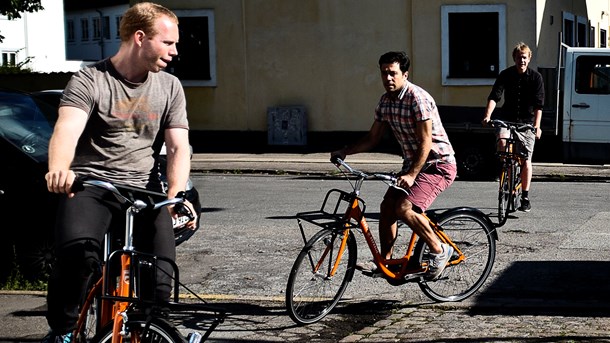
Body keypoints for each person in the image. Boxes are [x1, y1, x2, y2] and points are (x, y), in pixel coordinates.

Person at [41, 3, 196, 342]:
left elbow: (179, 147)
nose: (175, 51)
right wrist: (59, 169)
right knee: (78, 256)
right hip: (91, 184)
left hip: (143, 188)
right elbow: (66, 129)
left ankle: (147, 329)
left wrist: (175, 195)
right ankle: (62, 330)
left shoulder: (169, 87)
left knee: (160, 276)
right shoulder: (89, 80)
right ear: (140, 38)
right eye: (168, 43)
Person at [331, 51, 457, 280]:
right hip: (413, 165)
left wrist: (411, 175)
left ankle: (440, 250)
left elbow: (426, 142)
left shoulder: (417, 98)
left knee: (404, 208)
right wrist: (345, 152)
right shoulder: (385, 102)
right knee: (387, 208)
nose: (388, 78)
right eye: (384, 73)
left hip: (438, 164)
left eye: (393, 73)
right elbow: (372, 138)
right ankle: (385, 262)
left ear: (405, 74)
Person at [482, 42, 544, 212]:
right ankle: (507, 171)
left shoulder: (536, 78)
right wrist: (488, 116)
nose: (521, 61)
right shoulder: (505, 75)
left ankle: (525, 196)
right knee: (502, 143)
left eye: (524, 57)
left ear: (529, 59)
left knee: (526, 160)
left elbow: (539, 105)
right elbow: (495, 96)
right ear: (514, 59)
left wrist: (537, 126)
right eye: (518, 58)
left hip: (526, 123)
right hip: (507, 119)